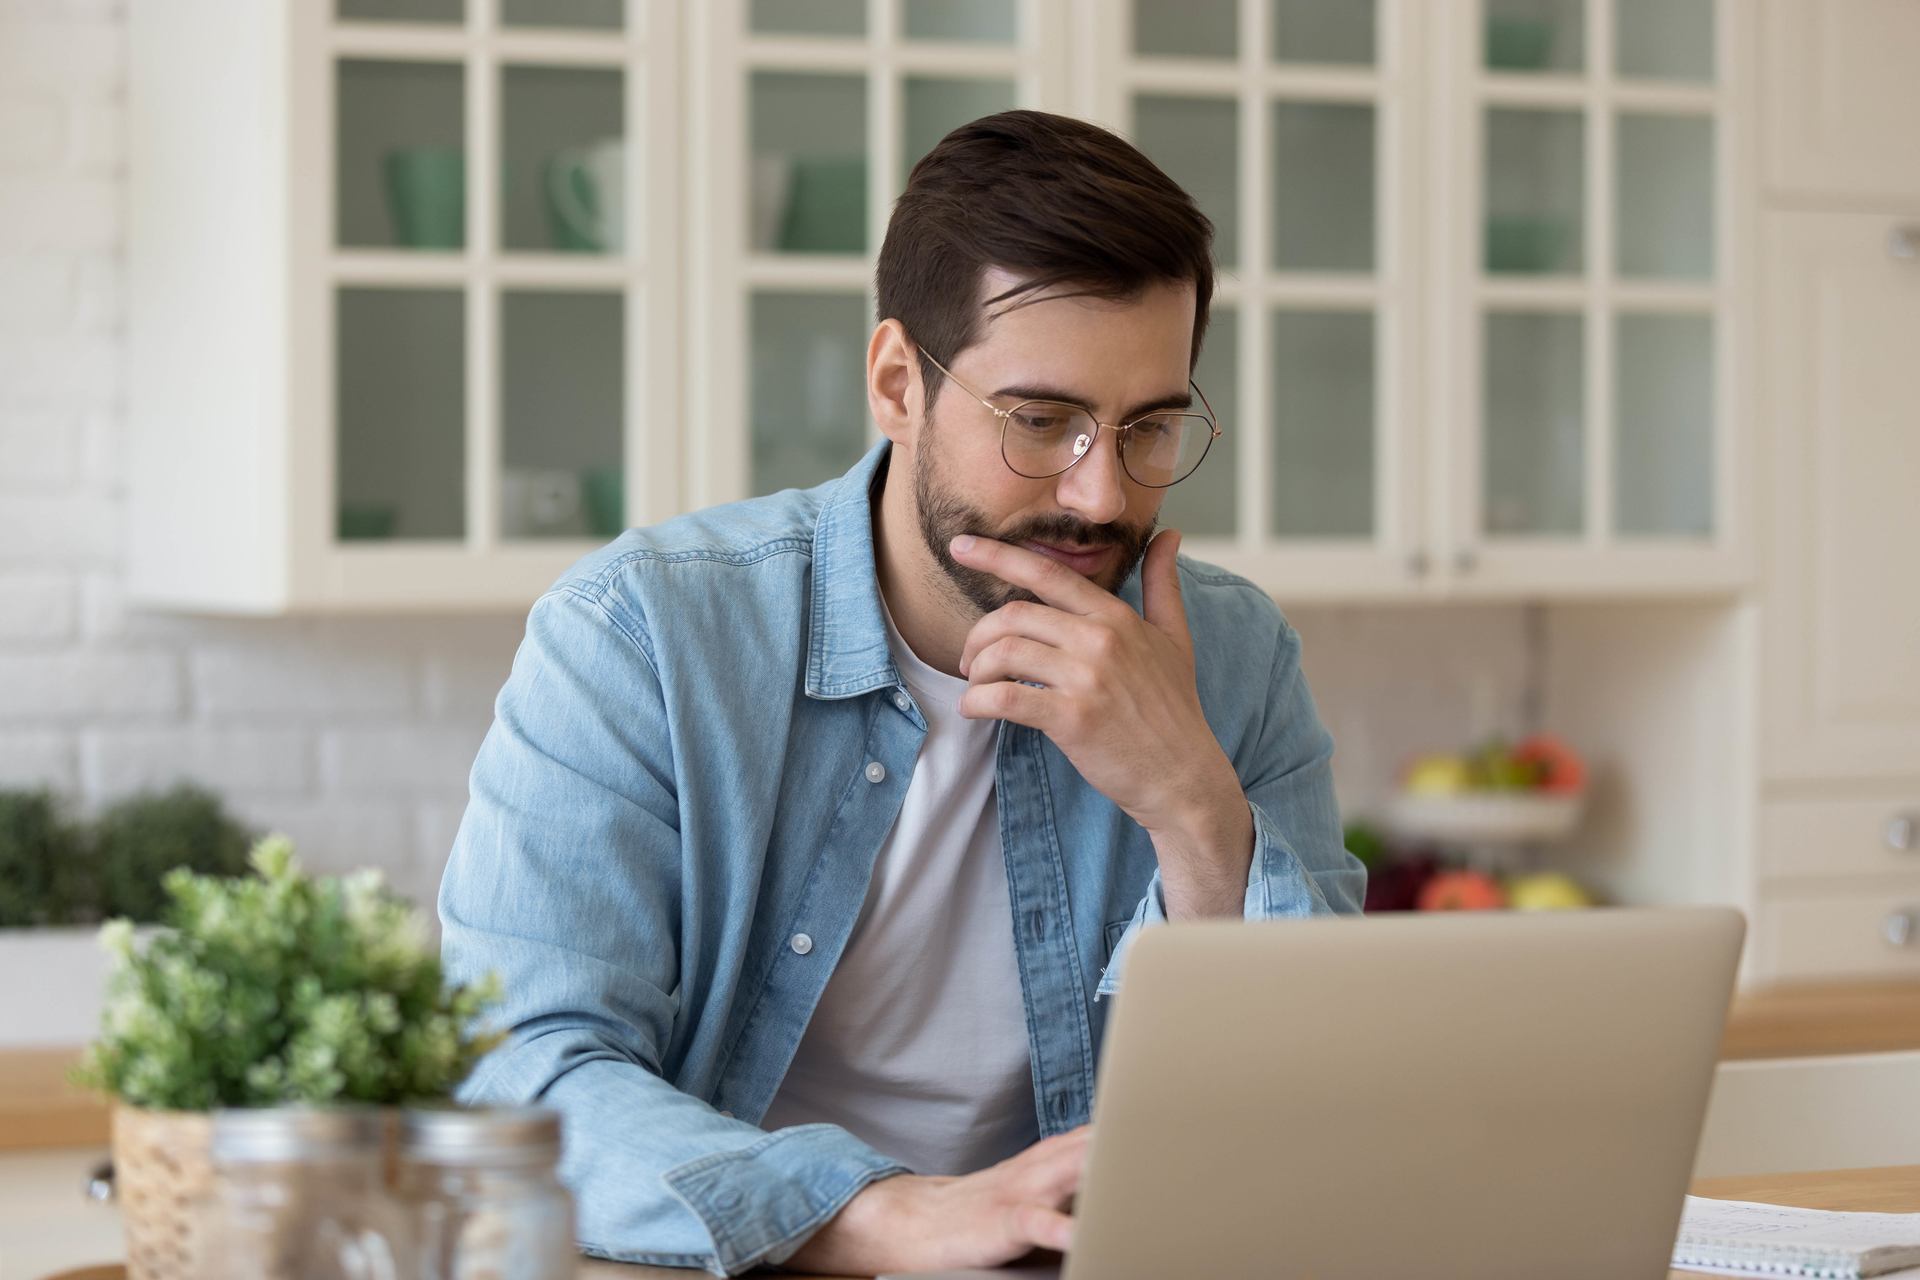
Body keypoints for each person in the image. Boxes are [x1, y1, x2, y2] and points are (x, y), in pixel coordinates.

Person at [440, 110, 1364, 1276]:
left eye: (1150, 426)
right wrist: (888, 1213)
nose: (1098, 493)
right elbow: (522, 1074)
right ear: (896, 382)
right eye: (1040, 421)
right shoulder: (643, 635)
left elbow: (1322, 1119)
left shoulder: (1231, 658)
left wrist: (1194, 807)